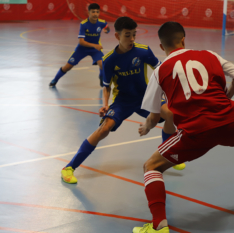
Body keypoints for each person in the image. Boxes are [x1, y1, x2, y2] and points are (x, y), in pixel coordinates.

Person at [132, 22, 234, 233]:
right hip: (229, 121)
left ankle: (158, 226)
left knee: (151, 166)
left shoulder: (160, 71)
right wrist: (228, 95)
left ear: (161, 46)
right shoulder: (209, 54)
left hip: (197, 132)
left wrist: (147, 127)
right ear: (183, 39)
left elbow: (154, 115)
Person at [61, 17, 186, 184]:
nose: (132, 39)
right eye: (128, 35)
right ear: (117, 36)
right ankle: (69, 167)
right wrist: (105, 105)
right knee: (104, 128)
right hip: (122, 101)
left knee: (169, 114)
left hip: (145, 97)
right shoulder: (109, 60)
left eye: (134, 34)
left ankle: (167, 154)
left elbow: (161, 69)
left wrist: (168, 90)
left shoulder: (143, 51)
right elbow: (106, 86)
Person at [49, 3, 110, 88]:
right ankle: (55, 79)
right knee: (67, 67)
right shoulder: (84, 24)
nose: (95, 14)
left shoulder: (102, 23)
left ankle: (101, 76)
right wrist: (95, 45)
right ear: (88, 12)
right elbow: (81, 42)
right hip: (82, 49)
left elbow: (107, 27)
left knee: (102, 64)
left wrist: (106, 30)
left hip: (95, 50)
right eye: (93, 12)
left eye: (97, 12)